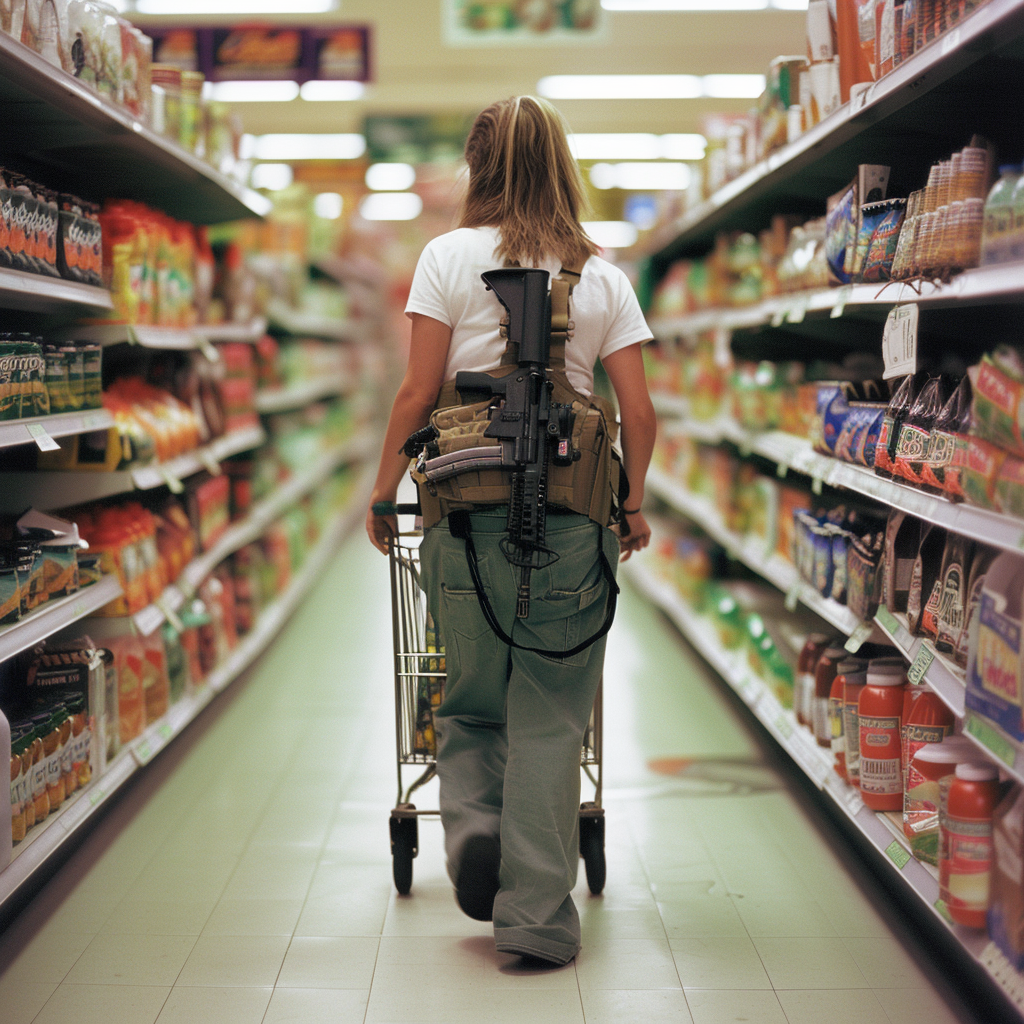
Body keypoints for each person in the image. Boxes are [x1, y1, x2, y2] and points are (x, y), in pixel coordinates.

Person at [366, 95, 656, 967]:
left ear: (478, 168)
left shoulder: (446, 258)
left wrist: (383, 494)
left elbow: (417, 395)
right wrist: (631, 504)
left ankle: (474, 837)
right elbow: (637, 411)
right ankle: (536, 918)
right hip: (574, 524)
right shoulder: (602, 276)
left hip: (462, 524)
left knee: (469, 699)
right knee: (553, 718)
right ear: (562, 167)